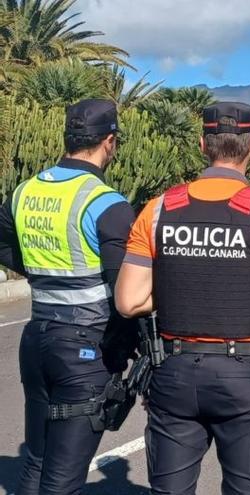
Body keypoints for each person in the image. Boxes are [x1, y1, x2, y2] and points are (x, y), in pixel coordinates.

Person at [115, 102, 250, 494]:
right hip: (244, 377)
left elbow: (128, 301)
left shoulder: (158, 210)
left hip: (172, 372)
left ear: (202, 144)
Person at [0, 99, 137, 495]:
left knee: (36, 463)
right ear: (109, 141)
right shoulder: (106, 202)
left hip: (36, 338)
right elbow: (124, 288)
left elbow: (4, 242)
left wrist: (41, 271)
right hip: (84, 346)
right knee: (63, 480)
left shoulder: (25, 191)